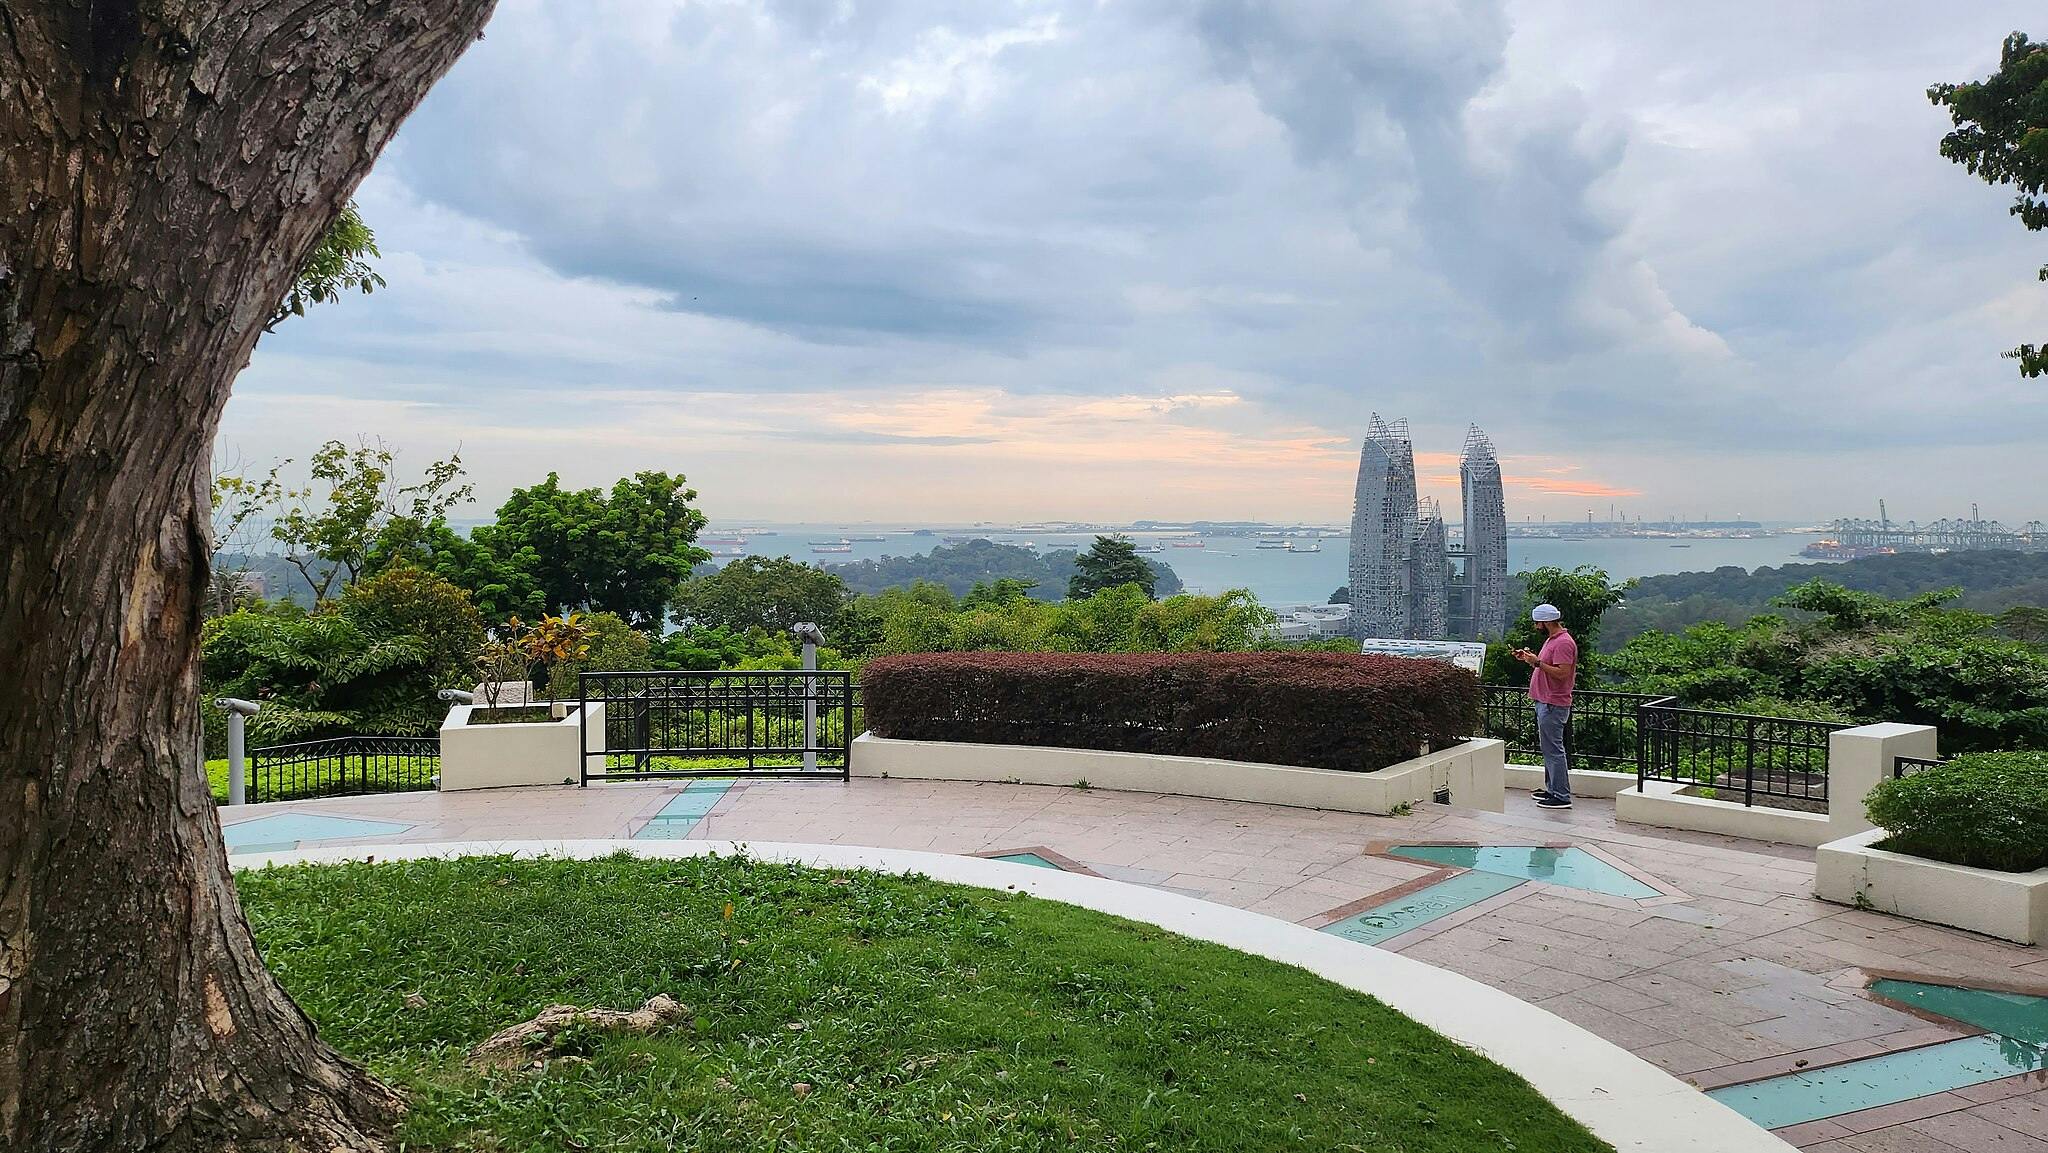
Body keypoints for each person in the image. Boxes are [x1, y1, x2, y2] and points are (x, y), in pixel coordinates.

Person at [1514, 603, 1578, 809]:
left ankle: (1561, 795)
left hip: (1553, 702)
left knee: (1554, 749)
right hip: (1545, 701)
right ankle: (1552, 789)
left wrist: (1538, 663)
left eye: (1537, 623)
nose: (1536, 626)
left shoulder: (1563, 643)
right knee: (1549, 748)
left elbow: (1562, 673)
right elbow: (1546, 666)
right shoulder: (1553, 640)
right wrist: (1530, 659)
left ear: (1546, 622)